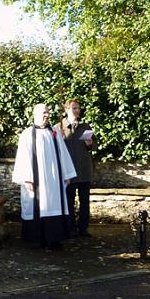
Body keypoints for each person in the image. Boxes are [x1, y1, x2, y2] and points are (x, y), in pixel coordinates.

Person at [12, 103, 76, 250]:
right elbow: (23, 157)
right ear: (35, 114)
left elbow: (63, 154)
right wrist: (27, 178)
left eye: (48, 112)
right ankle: (38, 239)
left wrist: (67, 174)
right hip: (37, 180)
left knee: (55, 206)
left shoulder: (54, 132)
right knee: (39, 206)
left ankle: (55, 239)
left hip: (54, 181)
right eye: (44, 113)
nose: (47, 115)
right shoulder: (27, 134)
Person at [56, 99, 97, 237]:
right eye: (74, 108)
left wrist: (90, 143)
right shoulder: (59, 127)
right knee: (69, 201)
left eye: (78, 108)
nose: (77, 110)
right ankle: (70, 229)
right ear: (66, 110)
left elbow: (93, 146)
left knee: (85, 202)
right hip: (68, 171)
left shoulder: (85, 126)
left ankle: (83, 229)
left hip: (84, 170)